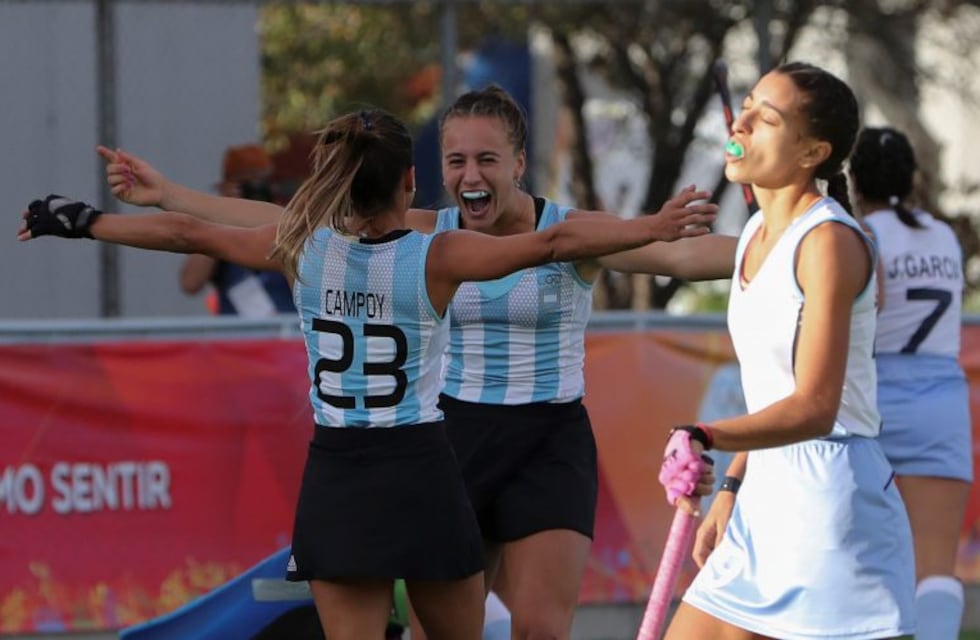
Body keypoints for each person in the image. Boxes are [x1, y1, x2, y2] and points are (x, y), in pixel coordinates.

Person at [19, 109, 718, 640]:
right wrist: (649, 226)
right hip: (421, 470)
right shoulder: (435, 256)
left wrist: (82, 221)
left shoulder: (305, 249)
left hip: (339, 480)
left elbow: (187, 234)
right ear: (413, 182)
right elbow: (558, 239)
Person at [658, 62, 916, 639]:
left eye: (766, 118)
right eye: (745, 106)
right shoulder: (754, 234)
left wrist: (707, 436)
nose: (742, 122)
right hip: (764, 498)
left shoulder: (830, 242)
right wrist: (733, 484)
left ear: (812, 152)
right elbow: (773, 391)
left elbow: (814, 406)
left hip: (830, 513)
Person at [849, 126, 972, 640]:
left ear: (854, 181)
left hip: (871, 394)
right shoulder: (942, 234)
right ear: (912, 177)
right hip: (940, 399)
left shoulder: (858, 234)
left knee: (848, 555)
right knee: (936, 568)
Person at [179, 144, 296, 317]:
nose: (256, 191)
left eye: (262, 183)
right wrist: (220, 212)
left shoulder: (284, 222)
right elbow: (190, 283)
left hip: (287, 336)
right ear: (229, 187)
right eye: (248, 185)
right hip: (239, 339)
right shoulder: (219, 230)